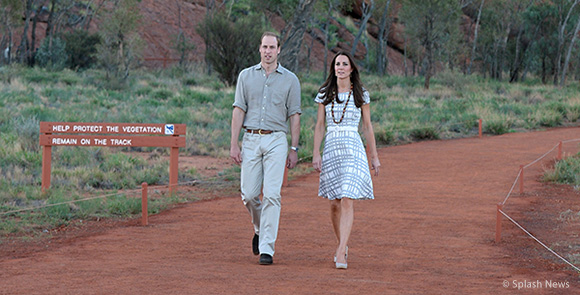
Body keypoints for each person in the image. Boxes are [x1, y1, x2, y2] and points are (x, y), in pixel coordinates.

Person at [230, 32, 301, 265]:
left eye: (272, 47)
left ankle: (267, 248)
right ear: (259, 49)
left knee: (272, 194)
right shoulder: (246, 76)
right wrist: (234, 144)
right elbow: (239, 109)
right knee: (249, 195)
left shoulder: (290, 80)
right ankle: (259, 229)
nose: (268, 51)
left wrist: (294, 148)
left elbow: (294, 116)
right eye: (264, 47)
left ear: (279, 49)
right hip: (250, 138)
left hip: (277, 139)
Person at [312, 51, 380, 269]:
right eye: (337, 64)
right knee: (334, 203)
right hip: (332, 148)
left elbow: (367, 127)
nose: (340, 67)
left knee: (347, 197)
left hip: (353, 148)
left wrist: (375, 157)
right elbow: (320, 125)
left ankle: (341, 251)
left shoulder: (361, 94)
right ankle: (341, 242)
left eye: (344, 64)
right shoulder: (325, 93)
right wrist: (316, 152)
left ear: (351, 69)